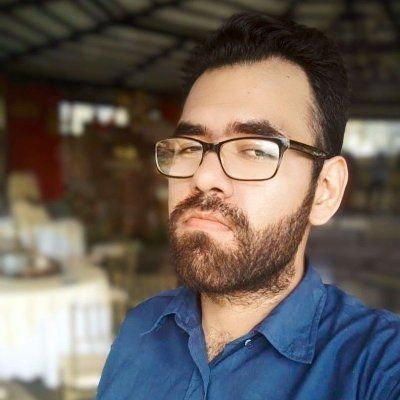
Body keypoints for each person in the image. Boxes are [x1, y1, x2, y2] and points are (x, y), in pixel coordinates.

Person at [97, 12, 400, 399]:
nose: (204, 176)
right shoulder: (140, 329)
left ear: (324, 190)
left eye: (256, 150)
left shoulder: (375, 366)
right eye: (189, 147)